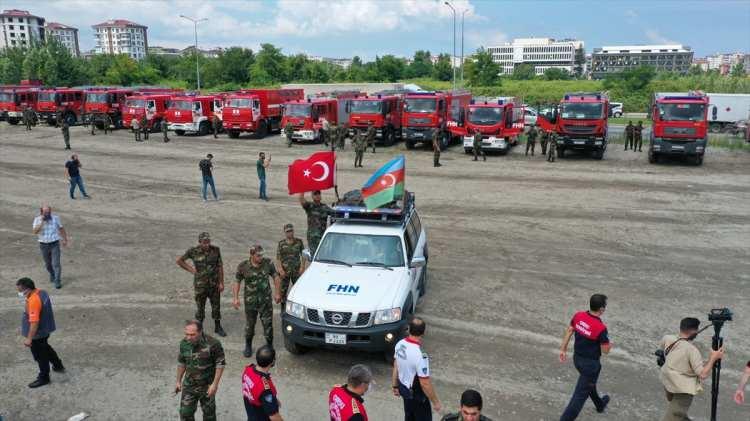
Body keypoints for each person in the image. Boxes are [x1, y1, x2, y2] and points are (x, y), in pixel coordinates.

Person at [659, 317, 725, 421]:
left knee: (677, 414)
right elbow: (703, 374)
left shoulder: (668, 338)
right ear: (694, 331)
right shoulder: (692, 350)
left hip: (669, 384)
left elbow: (661, 351)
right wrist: (713, 358)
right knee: (673, 417)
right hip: (682, 392)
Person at [559, 294, 612, 421]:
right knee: (579, 397)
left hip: (577, 359)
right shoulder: (600, 328)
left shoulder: (578, 316)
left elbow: (569, 330)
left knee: (588, 384)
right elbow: (605, 351)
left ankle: (599, 404)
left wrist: (563, 349)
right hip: (591, 366)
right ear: (601, 309)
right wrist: (609, 345)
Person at [234, 245, 282, 357]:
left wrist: (277, 293)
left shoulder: (268, 263)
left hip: (265, 301)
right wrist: (235, 298)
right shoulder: (243, 266)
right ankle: (248, 345)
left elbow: (276, 277)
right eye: (258, 255)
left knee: (268, 325)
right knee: (250, 325)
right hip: (250, 302)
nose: (261, 257)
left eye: (262, 255)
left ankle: (270, 346)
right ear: (251, 255)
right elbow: (237, 281)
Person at [17, 277, 65, 388]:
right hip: (45, 330)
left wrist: (29, 338)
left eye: (20, 290)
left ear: (27, 289)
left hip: (37, 334)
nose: (19, 293)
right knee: (46, 347)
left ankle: (44, 377)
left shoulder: (34, 300)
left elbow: (34, 323)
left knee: (40, 355)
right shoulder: (42, 293)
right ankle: (58, 365)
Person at [176, 232, 226, 337]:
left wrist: (221, 282)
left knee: (216, 306)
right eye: (204, 242)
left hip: (214, 284)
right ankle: (199, 329)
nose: (206, 244)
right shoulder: (193, 251)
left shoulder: (216, 250)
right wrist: (192, 270)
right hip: (200, 285)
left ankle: (218, 327)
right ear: (199, 242)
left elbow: (220, 266)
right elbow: (180, 261)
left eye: (208, 242)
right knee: (200, 308)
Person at [392, 317, 442, 421]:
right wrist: (436, 402)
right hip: (416, 395)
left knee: (409, 416)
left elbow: (396, 366)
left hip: (404, 390)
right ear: (423, 333)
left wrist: (395, 386)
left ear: (409, 329)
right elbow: (425, 384)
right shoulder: (420, 356)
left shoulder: (399, 344)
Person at [176, 320, 226, 421]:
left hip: (207, 386)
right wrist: (178, 381)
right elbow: (182, 362)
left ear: (200, 332)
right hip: (189, 385)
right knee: (185, 414)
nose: (188, 337)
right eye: (186, 334)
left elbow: (220, 364)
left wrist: (215, 384)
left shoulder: (213, 344)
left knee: (209, 416)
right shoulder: (184, 343)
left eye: (192, 334)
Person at [242, 345, 284, 421]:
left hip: (252, 414)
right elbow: (274, 416)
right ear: (272, 362)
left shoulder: (248, 370)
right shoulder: (265, 390)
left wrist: (274, 399)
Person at [32, 206, 68, 289]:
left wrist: (64, 239)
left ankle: (57, 280)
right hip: (43, 244)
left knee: (56, 263)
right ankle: (52, 274)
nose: (47, 214)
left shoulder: (56, 218)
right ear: (42, 212)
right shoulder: (37, 219)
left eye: (48, 212)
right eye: (45, 212)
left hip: (54, 243)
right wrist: (41, 222)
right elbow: (35, 232)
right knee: (48, 264)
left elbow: (61, 228)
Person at [276, 224, 305, 310]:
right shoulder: (281, 244)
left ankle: (297, 310)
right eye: (287, 231)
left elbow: (303, 255)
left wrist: (302, 267)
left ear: (293, 231)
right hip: (285, 272)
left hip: (296, 271)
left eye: (291, 231)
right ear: (285, 232)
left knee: (298, 290)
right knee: (283, 291)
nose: (290, 233)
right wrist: (280, 269)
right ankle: (283, 309)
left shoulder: (299, 242)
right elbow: (278, 257)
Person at [299, 190, 335, 255]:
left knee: (323, 255)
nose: (318, 195)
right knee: (314, 256)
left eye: (319, 194)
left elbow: (335, 214)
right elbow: (301, 200)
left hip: (322, 236)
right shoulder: (309, 206)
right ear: (312, 196)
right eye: (315, 194)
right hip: (313, 237)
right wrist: (302, 190)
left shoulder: (325, 207)